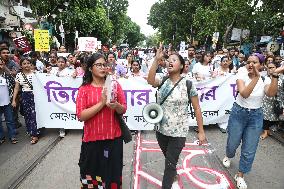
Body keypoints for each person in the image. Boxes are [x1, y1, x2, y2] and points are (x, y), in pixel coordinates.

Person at [147, 43, 207, 189]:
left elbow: (197, 108)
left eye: (174, 60)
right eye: (169, 60)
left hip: (178, 132)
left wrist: (201, 131)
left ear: (181, 66)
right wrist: (156, 60)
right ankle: (173, 172)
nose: (170, 62)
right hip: (161, 131)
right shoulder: (162, 80)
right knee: (169, 159)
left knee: (169, 163)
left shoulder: (188, 84)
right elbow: (150, 80)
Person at [222, 53, 283, 189]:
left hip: (256, 116)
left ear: (261, 65)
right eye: (248, 62)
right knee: (233, 142)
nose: (250, 64)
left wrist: (275, 75)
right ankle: (228, 155)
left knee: (249, 149)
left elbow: (271, 93)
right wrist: (255, 78)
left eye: (255, 62)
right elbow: (244, 93)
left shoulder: (265, 79)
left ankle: (241, 174)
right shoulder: (241, 74)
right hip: (239, 112)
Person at [76, 53, 127, 189]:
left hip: (113, 139)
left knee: (112, 175)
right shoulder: (84, 89)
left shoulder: (115, 85)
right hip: (92, 141)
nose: (103, 67)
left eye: (104, 65)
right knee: (92, 176)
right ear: (90, 68)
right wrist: (101, 103)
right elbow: (81, 115)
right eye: (98, 65)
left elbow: (123, 109)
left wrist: (116, 105)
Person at [12, 58, 39, 144]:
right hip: (25, 96)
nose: (26, 65)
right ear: (21, 65)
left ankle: (34, 134)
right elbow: (16, 88)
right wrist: (14, 100)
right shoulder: (19, 75)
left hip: (36, 96)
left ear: (31, 64)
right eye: (24, 63)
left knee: (34, 115)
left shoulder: (35, 74)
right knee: (27, 115)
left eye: (28, 63)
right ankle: (31, 131)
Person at [260, 62, 284, 139]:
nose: (270, 69)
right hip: (267, 101)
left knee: (279, 116)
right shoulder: (265, 78)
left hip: (279, 101)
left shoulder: (282, 77)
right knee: (266, 118)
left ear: (276, 68)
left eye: (272, 67)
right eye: (268, 68)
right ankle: (266, 132)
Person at [0, 57, 18, 144]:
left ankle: (12, 135)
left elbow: (15, 85)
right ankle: (1, 137)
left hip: (7, 102)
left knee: (10, 120)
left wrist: (13, 100)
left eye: (1, 64)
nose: (0, 66)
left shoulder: (7, 75)